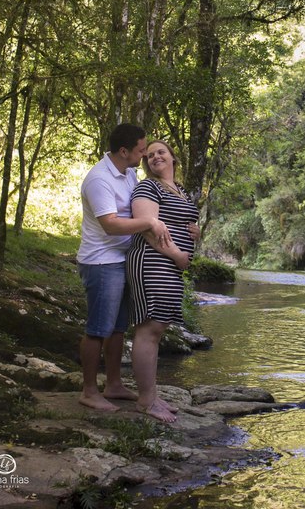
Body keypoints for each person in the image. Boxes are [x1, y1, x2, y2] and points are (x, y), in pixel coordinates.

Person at [77, 123, 172, 412]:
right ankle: (89, 391)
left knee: (118, 328)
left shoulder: (129, 173)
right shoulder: (99, 179)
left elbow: (145, 206)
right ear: (123, 151)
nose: (145, 155)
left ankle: (114, 384)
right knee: (98, 329)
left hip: (123, 259)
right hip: (101, 261)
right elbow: (111, 225)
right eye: (142, 149)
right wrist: (149, 223)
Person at [126, 140, 195, 423]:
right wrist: (179, 255)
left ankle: (151, 395)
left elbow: (181, 222)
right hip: (152, 262)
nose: (155, 156)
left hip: (170, 267)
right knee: (149, 329)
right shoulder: (147, 187)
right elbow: (146, 229)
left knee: (159, 328)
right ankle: (146, 400)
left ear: (173, 158)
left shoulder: (180, 190)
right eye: (150, 154)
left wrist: (195, 232)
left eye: (161, 152)